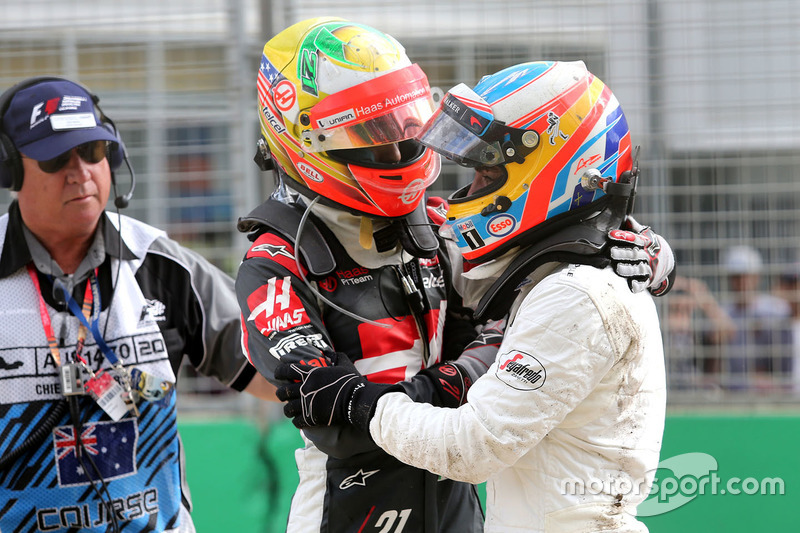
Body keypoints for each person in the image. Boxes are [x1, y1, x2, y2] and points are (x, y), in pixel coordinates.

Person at [275, 60, 668, 532]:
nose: (471, 189)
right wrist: (653, 246)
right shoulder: (577, 272)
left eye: (486, 174)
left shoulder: (576, 295)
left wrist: (363, 404)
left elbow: (474, 446)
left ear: (556, 169)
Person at [0, 76, 276, 533]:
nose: (81, 171)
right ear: (9, 168)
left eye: (92, 151)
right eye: (55, 158)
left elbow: (276, 372)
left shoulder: (163, 264)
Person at [716, 245, 792, 391]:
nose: (742, 282)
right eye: (736, 277)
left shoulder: (776, 310)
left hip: (774, 387)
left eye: (747, 276)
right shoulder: (724, 312)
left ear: (757, 277)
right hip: (733, 389)